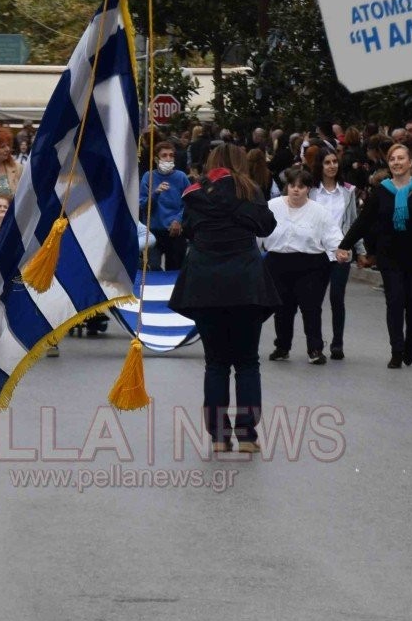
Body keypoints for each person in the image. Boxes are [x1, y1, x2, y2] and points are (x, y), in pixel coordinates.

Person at [171, 141, 278, 452]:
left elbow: (190, 230)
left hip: (204, 283)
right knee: (247, 362)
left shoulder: (194, 193)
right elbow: (265, 226)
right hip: (245, 282)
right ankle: (247, 435)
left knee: (215, 363)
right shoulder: (249, 190)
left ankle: (219, 436)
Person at [345, 141, 412, 368]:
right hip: (390, 255)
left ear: (410, 162)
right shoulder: (382, 191)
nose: (396, 162)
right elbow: (363, 222)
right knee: (394, 301)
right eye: (392, 159)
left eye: (401, 158)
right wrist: (345, 245)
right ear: (388, 164)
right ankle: (397, 350)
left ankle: (410, 341)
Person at [263, 166, 346, 365]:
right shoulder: (272, 206)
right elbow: (259, 233)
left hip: (310, 264)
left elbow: (332, 235)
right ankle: (282, 347)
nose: (296, 190)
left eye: (301, 186)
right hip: (278, 261)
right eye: (292, 185)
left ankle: (315, 348)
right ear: (287, 187)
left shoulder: (319, 212)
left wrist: (340, 250)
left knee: (311, 307)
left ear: (308, 188)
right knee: (282, 307)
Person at [307, 145, 359, 359]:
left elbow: (355, 223)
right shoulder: (311, 191)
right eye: (327, 162)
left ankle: (338, 342)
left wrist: (361, 249)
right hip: (315, 252)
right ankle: (316, 343)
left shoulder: (348, 191)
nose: (331, 166)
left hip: (341, 252)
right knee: (314, 300)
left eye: (334, 162)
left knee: (337, 297)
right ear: (319, 165)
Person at [140, 138, 190, 270]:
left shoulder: (181, 177)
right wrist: (155, 193)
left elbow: (189, 203)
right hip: (153, 232)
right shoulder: (148, 177)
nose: (168, 158)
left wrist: (178, 220)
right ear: (156, 159)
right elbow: (143, 205)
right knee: (153, 268)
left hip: (175, 231)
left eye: (171, 155)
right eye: (164, 155)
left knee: (175, 271)